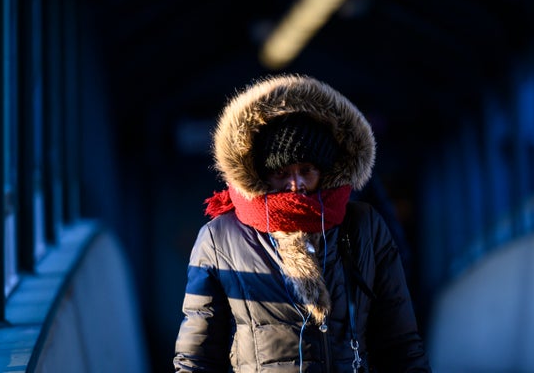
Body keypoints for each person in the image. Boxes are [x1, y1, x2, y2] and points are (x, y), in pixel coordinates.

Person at [173, 74, 431, 372]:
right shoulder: (220, 238)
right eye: (281, 172)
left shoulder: (364, 227)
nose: (295, 184)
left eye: (306, 170)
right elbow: (198, 357)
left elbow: (400, 343)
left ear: (326, 170)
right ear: (260, 174)